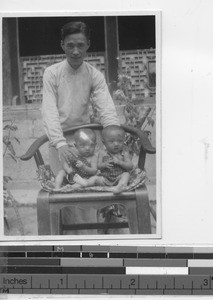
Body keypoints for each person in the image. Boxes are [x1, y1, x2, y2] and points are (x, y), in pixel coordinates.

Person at [41, 21, 120, 234]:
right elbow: (49, 111)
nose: (75, 51)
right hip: (60, 143)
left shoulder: (94, 74)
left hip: (85, 142)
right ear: (62, 45)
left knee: (90, 192)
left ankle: (95, 240)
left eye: (80, 45)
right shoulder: (52, 73)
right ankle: (68, 245)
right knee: (66, 197)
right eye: (70, 45)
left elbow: (107, 109)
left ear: (88, 45)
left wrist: (114, 139)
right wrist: (59, 143)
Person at [97, 125, 134, 194]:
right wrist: (104, 165)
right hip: (105, 179)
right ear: (104, 142)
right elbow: (98, 166)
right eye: (111, 141)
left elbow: (130, 166)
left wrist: (120, 162)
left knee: (126, 174)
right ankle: (86, 183)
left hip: (119, 178)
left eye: (120, 141)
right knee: (95, 178)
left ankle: (120, 187)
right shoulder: (102, 153)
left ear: (124, 140)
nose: (116, 144)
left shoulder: (124, 153)